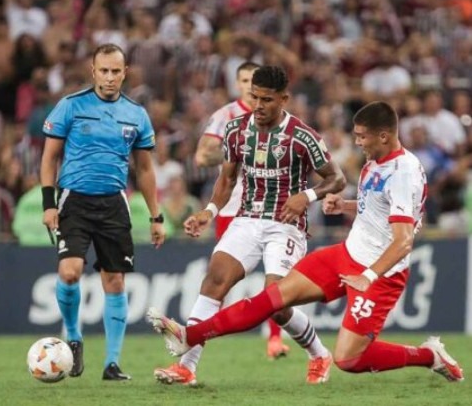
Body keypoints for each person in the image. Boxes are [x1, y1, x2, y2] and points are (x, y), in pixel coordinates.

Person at [148, 101, 465, 383]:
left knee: (349, 360)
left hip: (380, 274)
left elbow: (403, 241)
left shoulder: (403, 171)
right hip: (346, 254)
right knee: (272, 298)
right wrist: (345, 205)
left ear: (383, 135)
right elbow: (378, 207)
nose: (357, 142)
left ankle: (429, 356)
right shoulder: (377, 160)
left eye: (361, 136)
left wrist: (368, 276)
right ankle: (190, 335)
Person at [153, 66, 346, 386]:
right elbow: (227, 179)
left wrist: (307, 195)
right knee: (215, 278)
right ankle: (187, 367)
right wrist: (209, 211)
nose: (258, 105)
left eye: (266, 100)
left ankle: (319, 353)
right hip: (246, 219)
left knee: (276, 303)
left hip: (285, 225)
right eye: (254, 97)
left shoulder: (302, 135)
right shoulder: (236, 130)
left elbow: (337, 178)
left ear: (283, 99)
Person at [41, 43, 166, 381]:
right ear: (93, 71)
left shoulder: (136, 114)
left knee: (114, 280)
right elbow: (50, 157)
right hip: (74, 201)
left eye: (116, 71)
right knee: (70, 272)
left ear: (125, 73)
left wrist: (156, 216)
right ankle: (74, 336)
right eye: (104, 71)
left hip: (113, 203)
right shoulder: (71, 106)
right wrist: (48, 204)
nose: (110, 78)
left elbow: (144, 169)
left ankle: (112, 363)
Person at [194, 60, 291, 361]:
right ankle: (192, 352)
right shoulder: (226, 118)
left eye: (255, 80)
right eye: (246, 80)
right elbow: (201, 157)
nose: (251, 87)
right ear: (238, 85)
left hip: (271, 211)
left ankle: (275, 340)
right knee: (219, 279)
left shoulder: (281, 121)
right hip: (231, 209)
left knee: (275, 282)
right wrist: (234, 151)